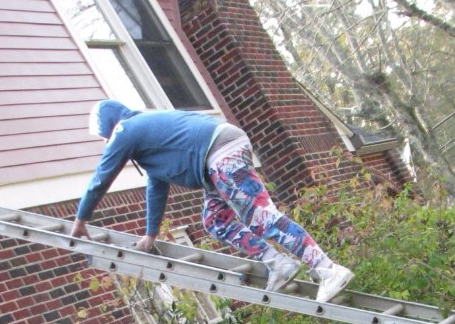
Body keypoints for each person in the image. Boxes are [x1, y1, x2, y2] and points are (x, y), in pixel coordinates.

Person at [69, 100, 354, 303]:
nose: (106, 142)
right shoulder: (148, 140)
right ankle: (278, 263)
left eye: (103, 136)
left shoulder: (126, 130)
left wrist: (81, 219)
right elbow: (157, 187)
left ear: (109, 128)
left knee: (259, 216)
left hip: (220, 152)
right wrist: (150, 234)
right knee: (216, 222)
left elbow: (101, 177)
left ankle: (328, 269)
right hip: (214, 161)